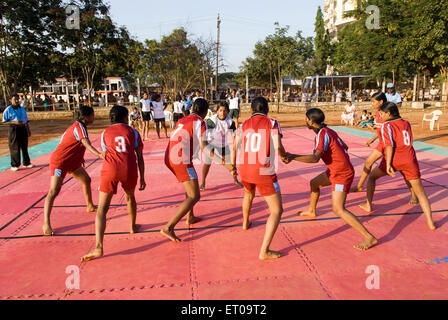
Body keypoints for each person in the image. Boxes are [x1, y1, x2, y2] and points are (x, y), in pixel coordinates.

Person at [283, 108, 378, 251]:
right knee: (314, 183)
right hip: (335, 170)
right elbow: (345, 146)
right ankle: (311, 210)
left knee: (338, 209)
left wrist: (292, 156)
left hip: (341, 174)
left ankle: (369, 237)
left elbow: (315, 158)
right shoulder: (328, 131)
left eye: (307, 119)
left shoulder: (322, 134)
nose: (306, 121)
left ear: (312, 122)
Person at [162, 98, 236, 242]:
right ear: (205, 112)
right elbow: (205, 148)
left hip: (170, 156)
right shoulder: (200, 122)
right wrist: (225, 164)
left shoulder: (183, 120)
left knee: (189, 188)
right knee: (194, 196)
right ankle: (168, 227)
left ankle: (190, 216)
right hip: (180, 159)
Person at [81, 105, 146, 262]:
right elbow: (140, 157)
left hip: (110, 169)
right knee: (130, 197)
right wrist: (142, 177)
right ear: (125, 118)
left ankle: (98, 245)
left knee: (102, 208)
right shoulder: (134, 132)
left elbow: (104, 153)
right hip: (128, 168)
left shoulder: (104, 133)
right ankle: (132, 227)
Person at [359, 102, 436, 230]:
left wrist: (388, 163)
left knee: (372, 177)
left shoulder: (386, 125)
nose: (380, 116)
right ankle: (430, 222)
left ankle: (368, 204)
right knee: (421, 193)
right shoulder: (406, 123)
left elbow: (389, 145)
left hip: (395, 158)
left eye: (382, 114)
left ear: (388, 114)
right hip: (410, 159)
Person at [233, 97, 286, 260]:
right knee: (277, 210)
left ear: (251, 109)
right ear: (267, 109)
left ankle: (244, 223)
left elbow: (235, 145)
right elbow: (277, 146)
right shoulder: (272, 123)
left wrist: (234, 167)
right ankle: (264, 250)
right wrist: (285, 156)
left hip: (245, 167)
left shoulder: (243, 124)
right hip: (263, 170)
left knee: (248, 194)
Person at [43, 106, 105, 236]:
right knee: (54, 191)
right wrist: (99, 155)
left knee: (86, 180)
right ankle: (46, 223)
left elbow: (73, 143)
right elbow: (86, 143)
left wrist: (80, 157)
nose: (94, 117)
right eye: (92, 115)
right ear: (85, 117)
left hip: (72, 162)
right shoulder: (79, 127)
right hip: (60, 162)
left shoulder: (79, 126)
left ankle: (89, 205)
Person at [351, 92, 417, 204]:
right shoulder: (379, 113)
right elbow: (381, 130)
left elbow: (388, 130)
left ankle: (414, 195)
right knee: (368, 162)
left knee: (403, 171)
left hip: (388, 144)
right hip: (382, 143)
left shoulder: (386, 113)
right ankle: (360, 185)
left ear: (381, 102)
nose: (372, 104)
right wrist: (372, 139)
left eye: (373, 102)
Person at [200, 101, 243, 191]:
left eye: (224, 111)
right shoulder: (212, 120)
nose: (222, 113)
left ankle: (235, 180)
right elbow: (206, 134)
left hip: (223, 143)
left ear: (228, 111)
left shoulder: (230, 121)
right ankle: (203, 182)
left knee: (230, 163)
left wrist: (236, 145)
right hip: (211, 142)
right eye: (220, 110)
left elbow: (234, 134)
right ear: (217, 111)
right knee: (207, 163)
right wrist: (209, 149)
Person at [2, 94, 33, 171]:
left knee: (24, 146)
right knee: (15, 147)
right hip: (14, 129)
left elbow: (26, 120)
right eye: (15, 99)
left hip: (23, 128)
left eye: (17, 99)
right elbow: (4, 121)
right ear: (10, 100)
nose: (16, 101)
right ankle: (14, 165)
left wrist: (28, 130)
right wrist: (14, 122)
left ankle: (26, 163)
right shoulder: (8, 110)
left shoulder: (22, 109)